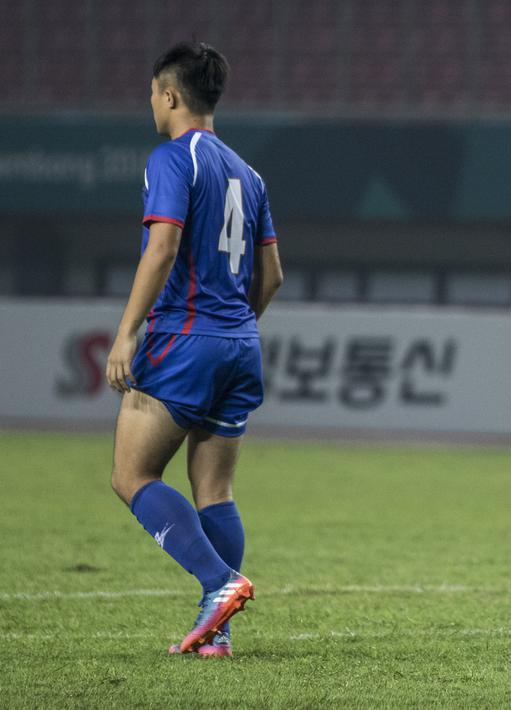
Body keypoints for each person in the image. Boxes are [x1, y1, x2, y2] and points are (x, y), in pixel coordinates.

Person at [105, 41, 283, 657]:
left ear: (170, 94)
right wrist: (234, 329)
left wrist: (127, 332)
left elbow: (162, 247)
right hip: (241, 343)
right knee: (216, 491)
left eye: (153, 94)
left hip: (185, 341)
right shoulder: (249, 174)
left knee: (131, 475)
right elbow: (273, 276)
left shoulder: (173, 158)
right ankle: (218, 633)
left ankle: (218, 582)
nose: (151, 104)